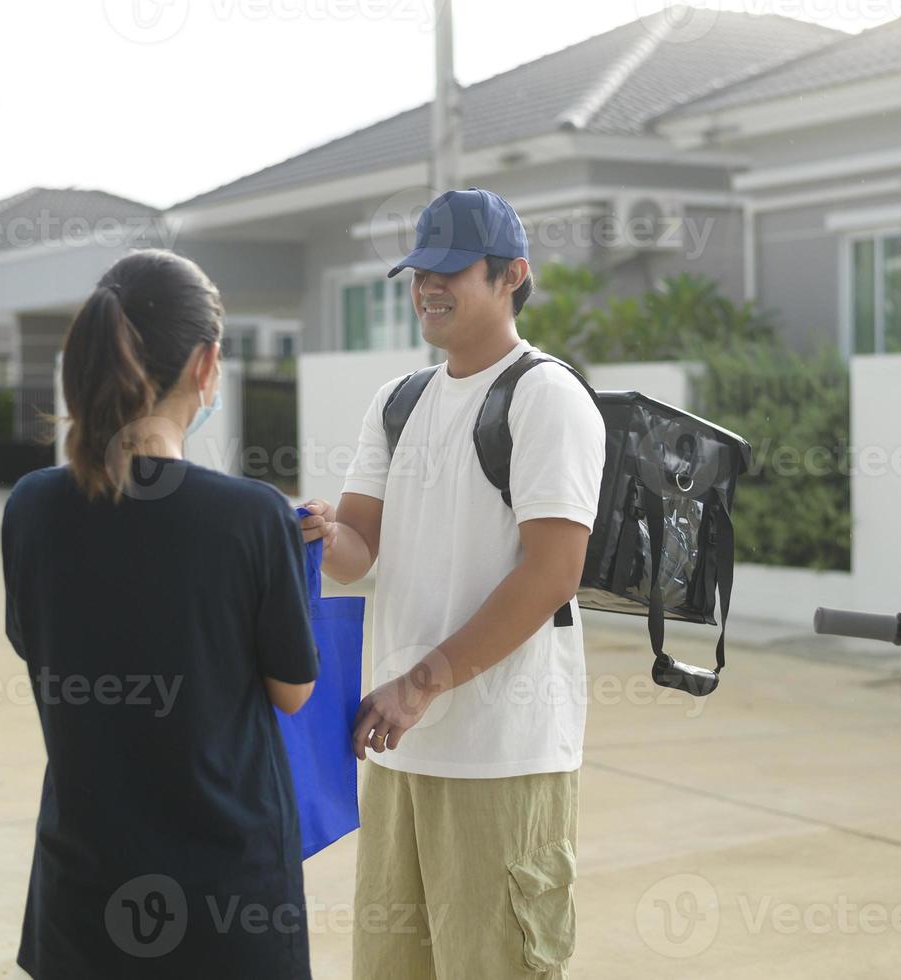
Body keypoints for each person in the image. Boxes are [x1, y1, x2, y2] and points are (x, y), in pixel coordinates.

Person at [302, 188, 606, 979]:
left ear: (511, 275)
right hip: (402, 752)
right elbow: (359, 547)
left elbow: (551, 573)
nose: (426, 289)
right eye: (417, 273)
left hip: (500, 755)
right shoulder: (398, 402)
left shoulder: (546, 396)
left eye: (449, 271)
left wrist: (421, 683)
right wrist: (312, 533)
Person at [1, 249, 319, 978]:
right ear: (206, 365)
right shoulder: (251, 517)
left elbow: (37, 644)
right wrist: (286, 564)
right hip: (227, 905)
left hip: (80, 892)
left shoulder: (31, 506)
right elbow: (292, 690)